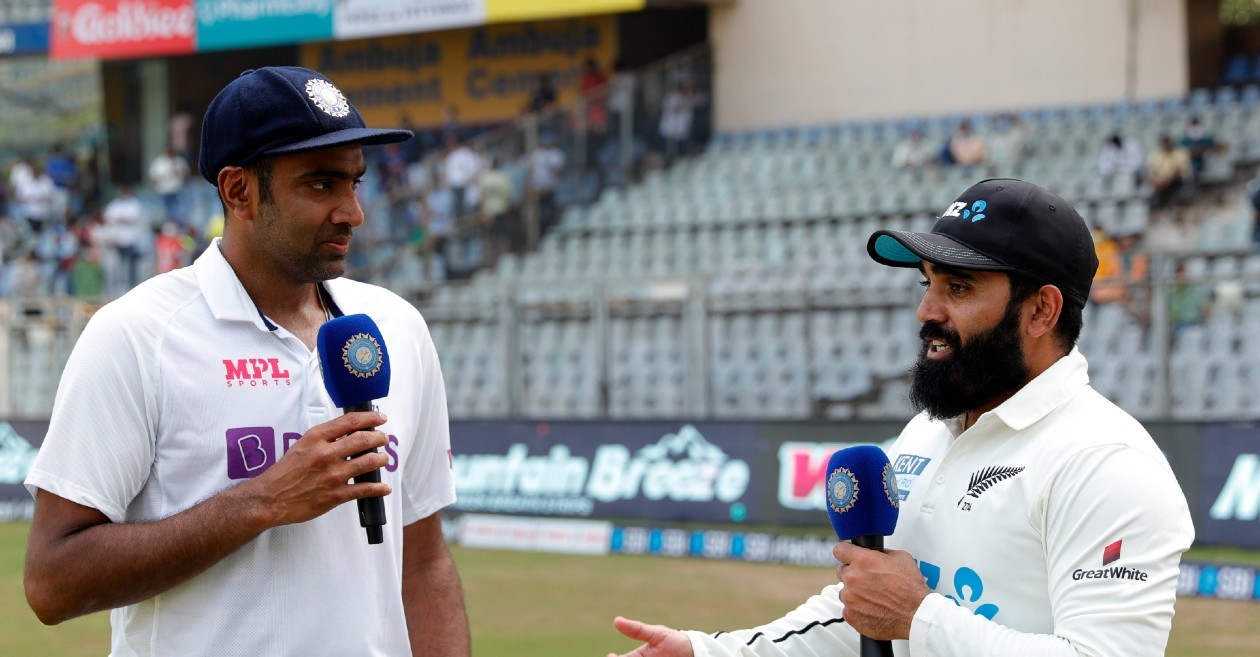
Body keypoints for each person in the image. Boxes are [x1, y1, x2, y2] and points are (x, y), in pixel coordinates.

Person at [606, 179, 1193, 657]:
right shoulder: (930, 432)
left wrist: (919, 616)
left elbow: (907, 612)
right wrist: (708, 654)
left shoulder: (1105, 463)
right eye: (927, 283)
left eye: (958, 287)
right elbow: (867, 612)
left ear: (1041, 310)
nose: (926, 312)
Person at [23, 66, 470, 657]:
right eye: (320, 185)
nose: (352, 212)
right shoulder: (136, 336)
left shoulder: (397, 328)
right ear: (238, 192)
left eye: (355, 183)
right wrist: (262, 502)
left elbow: (424, 563)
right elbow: (52, 583)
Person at [148, 145, 190, 226]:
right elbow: (153, 178)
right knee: (163, 214)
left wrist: (175, 170)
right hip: (163, 192)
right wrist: (166, 176)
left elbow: (186, 174)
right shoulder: (159, 162)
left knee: (178, 213)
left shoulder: (179, 161)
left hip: (177, 192)